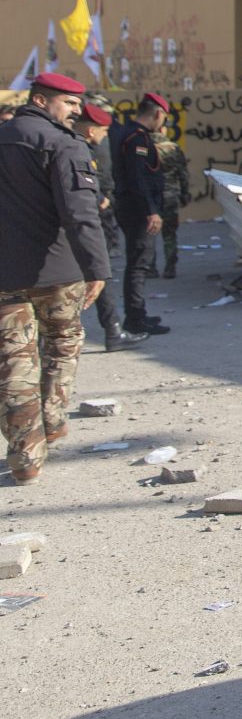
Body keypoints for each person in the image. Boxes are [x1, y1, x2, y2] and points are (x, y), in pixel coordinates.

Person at [0, 73, 110, 483]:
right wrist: (97, 268)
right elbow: (80, 213)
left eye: (79, 106)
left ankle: (25, 457)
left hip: (5, 274)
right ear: (42, 100)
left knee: (13, 363)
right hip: (58, 273)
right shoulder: (64, 144)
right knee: (63, 344)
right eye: (69, 104)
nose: (76, 113)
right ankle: (53, 419)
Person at [74, 104, 144, 351]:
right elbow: (80, 184)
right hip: (83, 223)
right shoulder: (76, 147)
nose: (105, 136)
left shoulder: (75, 144)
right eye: (103, 131)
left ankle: (112, 328)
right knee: (97, 275)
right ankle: (112, 329)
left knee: (95, 276)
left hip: (81, 221)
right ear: (92, 130)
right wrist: (99, 198)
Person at [109, 92, 170, 337]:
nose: (163, 122)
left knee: (139, 262)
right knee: (138, 264)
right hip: (137, 210)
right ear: (157, 113)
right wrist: (151, 212)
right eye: (163, 117)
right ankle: (135, 318)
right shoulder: (137, 139)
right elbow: (138, 178)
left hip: (132, 207)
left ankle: (138, 313)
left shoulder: (130, 133)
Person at [155, 130, 189, 278]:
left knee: (148, 235)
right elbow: (183, 174)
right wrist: (184, 193)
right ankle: (170, 265)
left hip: (152, 197)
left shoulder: (145, 146)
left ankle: (149, 267)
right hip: (170, 196)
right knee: (169, 234)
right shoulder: (174, 148)